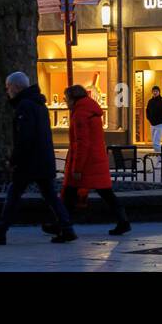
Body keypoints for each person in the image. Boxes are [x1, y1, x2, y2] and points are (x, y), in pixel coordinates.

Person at [0, 72, 77, 245]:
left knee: (14, 194)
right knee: (50, 196)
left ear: (16, 87)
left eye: (8, 87)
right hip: (43, 158)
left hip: (29, 161)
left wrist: (14, 159)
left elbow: (24, 137)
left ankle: (1, 231)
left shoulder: (24, 106)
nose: (7, 91)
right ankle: (67, 228)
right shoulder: (39, 104)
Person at [52, 85, 131, 236]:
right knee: (105, 193)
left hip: (87, 163)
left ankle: (62, 225)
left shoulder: (80, 115)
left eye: (66, 99)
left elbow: (82, 143)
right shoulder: (90, 110)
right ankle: (123, 221)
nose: (65, 102)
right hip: (96, 160)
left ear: (73, 99)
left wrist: (77, 168)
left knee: (70, 193)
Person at [145, 86, 162, 154]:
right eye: (154, 91)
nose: (155, 92)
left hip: (160, 124)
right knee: (154, 142)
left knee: (156, 142)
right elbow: (147, 110)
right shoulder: (150, 101)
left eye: (156, 91)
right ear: (152, 92)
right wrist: (149, 118)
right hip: (152, 124)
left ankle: (161, 157)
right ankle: (159, 158)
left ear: (159, 92)